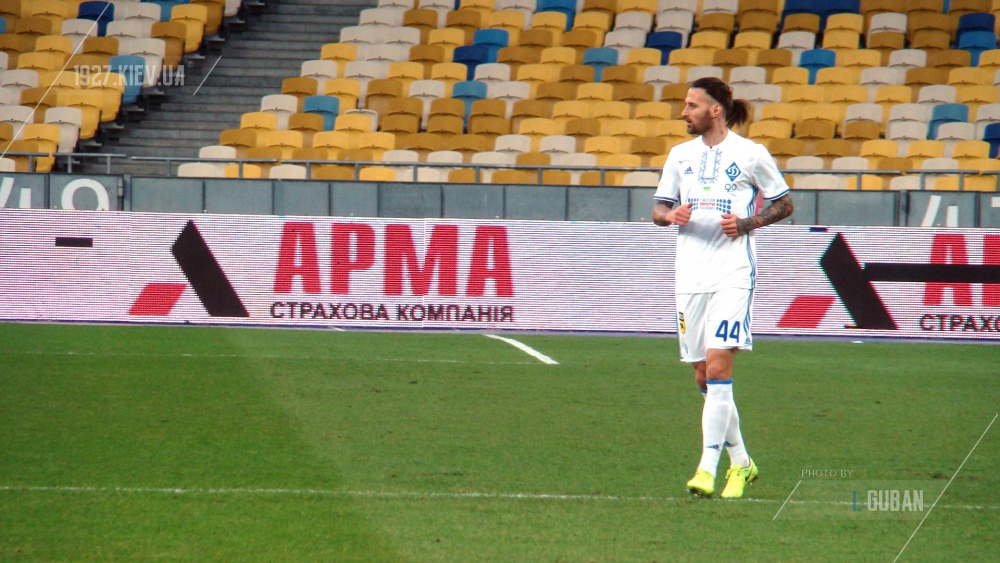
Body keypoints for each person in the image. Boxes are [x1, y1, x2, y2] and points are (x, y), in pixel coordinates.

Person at [651, 77, 794, 499]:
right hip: (690, 275)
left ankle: (706, 469)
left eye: (692, 105)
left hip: (733, 273)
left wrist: (749, 223)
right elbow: (658, 209)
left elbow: (785, 203)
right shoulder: (680, 155)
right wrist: (669, 216)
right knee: (703, 375)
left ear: (715, 110)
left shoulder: (751, 153)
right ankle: (742, 463)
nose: (684, 112)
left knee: (718, 369)